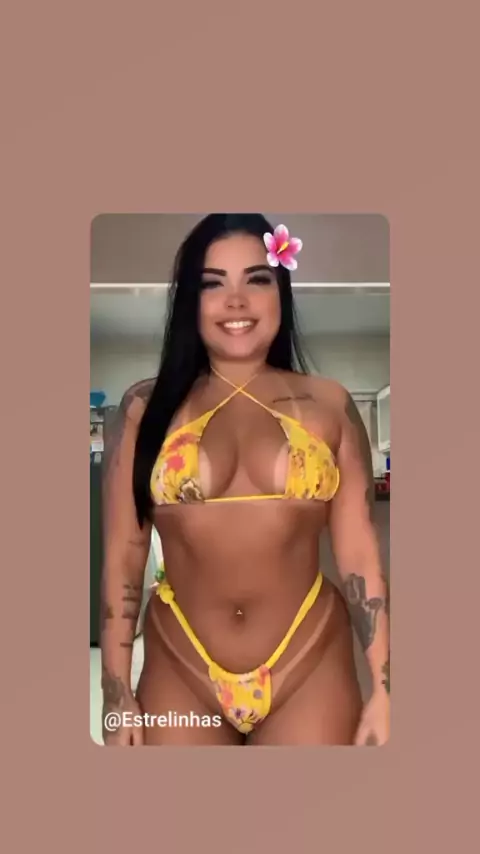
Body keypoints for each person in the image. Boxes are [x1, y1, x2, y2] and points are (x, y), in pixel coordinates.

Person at [99, 213, 390, 746]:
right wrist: (115, 690)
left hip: (310, 662)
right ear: (191, 302)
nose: (236, 301)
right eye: (213, 284)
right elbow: (124, 555)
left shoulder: (330, 405)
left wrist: (386, 687)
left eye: (257, 279)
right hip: (179, 664)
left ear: (282, 292)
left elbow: (359, 554)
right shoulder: (144, 409)